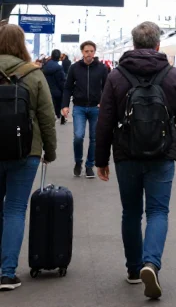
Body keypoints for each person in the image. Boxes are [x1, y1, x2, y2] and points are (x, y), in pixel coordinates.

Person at [96, 22, 176, 299]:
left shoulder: (116, 76)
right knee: (157, 212)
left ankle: (133, 269)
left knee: (130, 212)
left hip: (126, 154)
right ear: (157, 45)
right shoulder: (173, 76)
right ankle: (151, 263)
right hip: (163, 153)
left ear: (133, 44)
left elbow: (105, 121)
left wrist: (100, 159)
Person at [0, 24, 57, 291]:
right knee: (14, 209)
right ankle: (7, 273)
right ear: (22, 43)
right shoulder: (33, 74)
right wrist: (50, 150)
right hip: (26, 150)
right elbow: (47, 117)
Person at [61, 40, 109, 178]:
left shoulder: (101, 68)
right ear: (82, 52)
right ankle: (78, 162)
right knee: (78, 136)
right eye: (86, 51)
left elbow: (106, 88)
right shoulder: (74, 68)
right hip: (79, 107)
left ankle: (89, 166)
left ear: (94, 52)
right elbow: (68, 88)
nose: (89, 54)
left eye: (91, 51)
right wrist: (65, 105)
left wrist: (103, 102)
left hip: (96, 108)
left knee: (94, 138)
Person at [42, 49, 67, 126]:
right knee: (59, 105)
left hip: (46, 90)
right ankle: (60, 117)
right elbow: (61, 81)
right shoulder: (58, 68)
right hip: (57, 92)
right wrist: (64, 90)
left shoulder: (44, 66)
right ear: (59, 57)